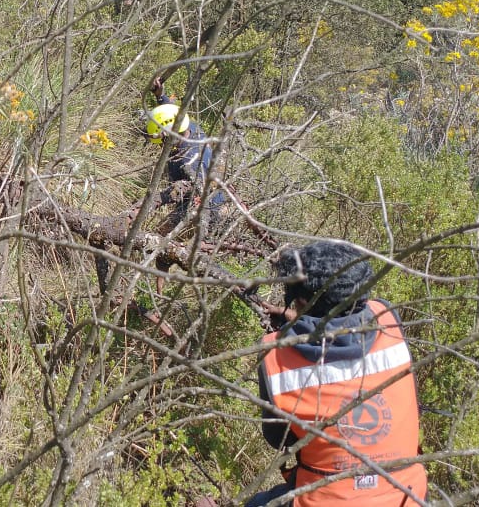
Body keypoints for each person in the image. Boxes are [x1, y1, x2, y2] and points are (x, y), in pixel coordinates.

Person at [245, 240, 427, 506]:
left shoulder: (276, 355)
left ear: (304, 300)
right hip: (406, 494)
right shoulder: (388, 318)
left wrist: (296, 330)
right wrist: (303, 322)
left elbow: (278, 439)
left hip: (326, 499)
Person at [142, 78, 226, 240]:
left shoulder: (186, 161)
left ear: (167, 137)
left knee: (156, 238)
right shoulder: (190, 127)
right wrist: (161, 97)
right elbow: (170, 116)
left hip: (210, 210)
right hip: (213, 197)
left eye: (160, 142)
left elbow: (199, 200)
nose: (159, 146)